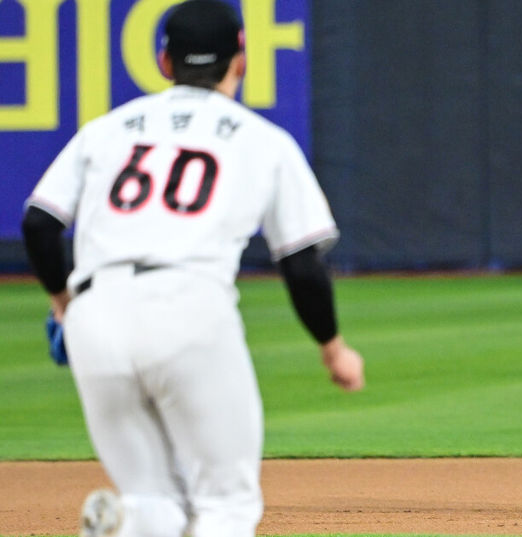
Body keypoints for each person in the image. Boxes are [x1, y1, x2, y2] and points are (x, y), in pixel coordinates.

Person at [20, 1, 364, 535]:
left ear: (164, 61)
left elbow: (40, 223)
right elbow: (301, 264)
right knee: (227, 504)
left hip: (96, 316)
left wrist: (66, 308)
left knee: (152, 499)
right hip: (188, 306)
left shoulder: (107, 129)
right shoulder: (264, 142)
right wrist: (333, 349)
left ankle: (126, 524)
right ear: (241, 58)